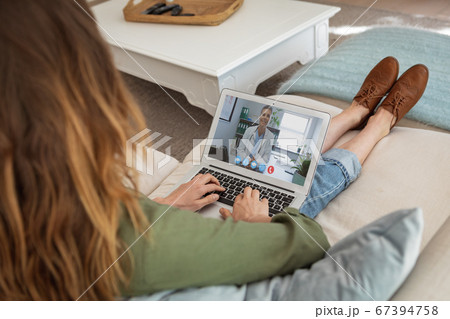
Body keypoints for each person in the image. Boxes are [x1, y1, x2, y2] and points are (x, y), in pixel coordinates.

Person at [0, 0, 428, 301]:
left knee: (274, 159)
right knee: (300, 183)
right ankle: (379, 122)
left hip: (222, 180)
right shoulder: (121, 246)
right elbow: (305, 240)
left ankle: (353, 111)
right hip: (254, 219)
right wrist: (253, 228)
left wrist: (164, 203)